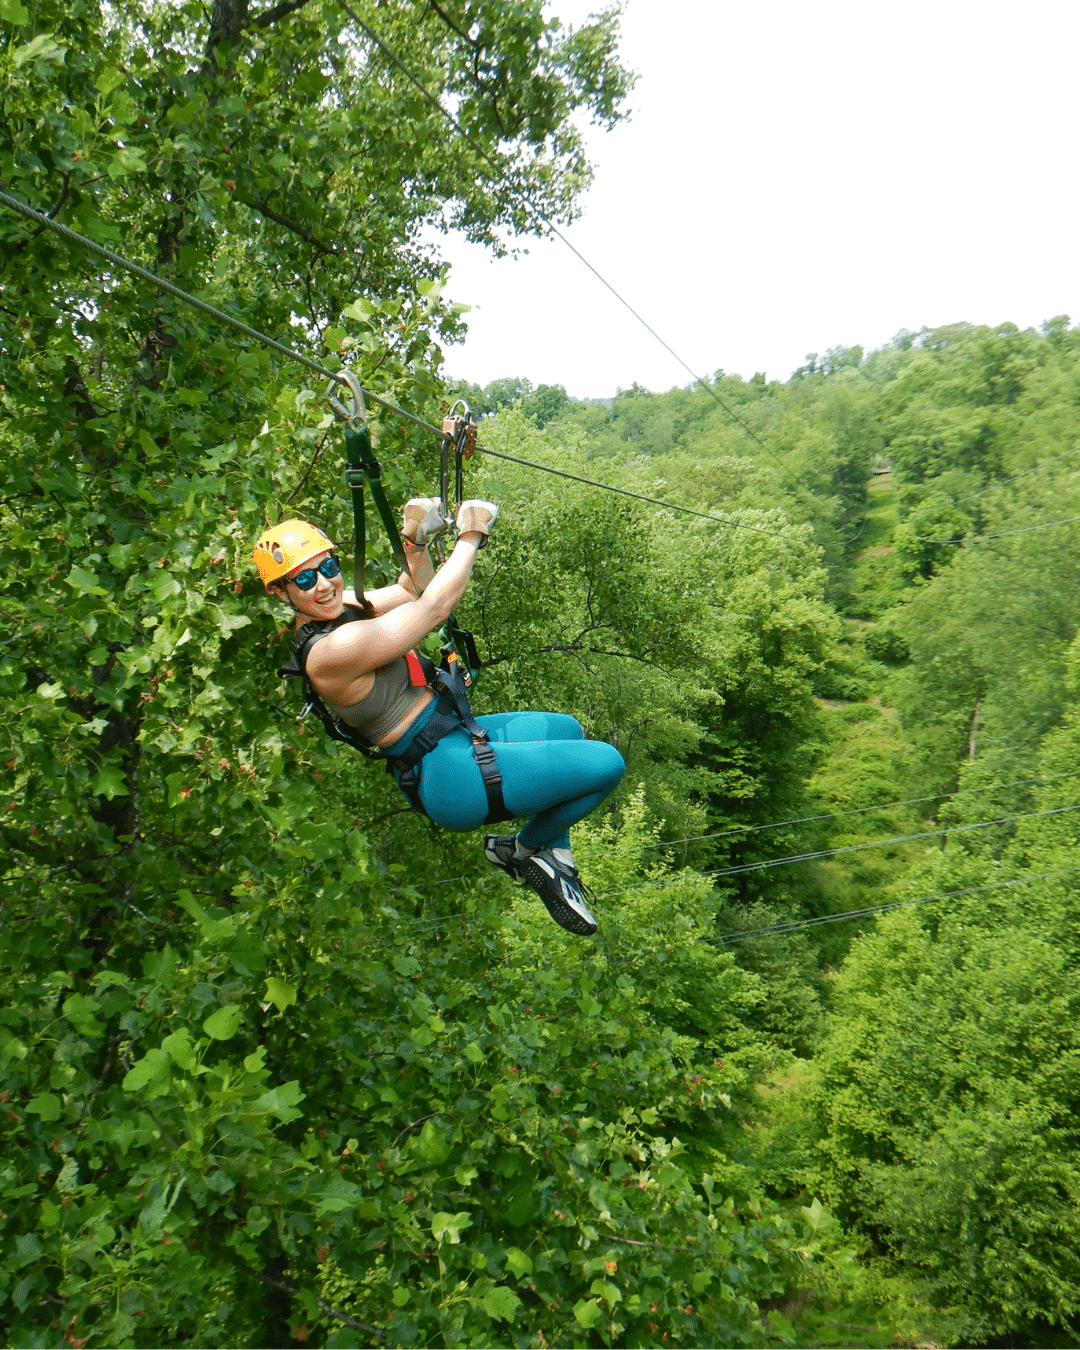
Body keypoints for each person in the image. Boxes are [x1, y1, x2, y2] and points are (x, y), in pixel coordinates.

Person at [253, 500, 625, 936]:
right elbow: (432, 609)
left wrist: (414, 544)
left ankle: (553, 857)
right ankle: (524, 852)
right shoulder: (328, 654)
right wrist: (471, 535)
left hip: (453, 735)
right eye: (304, 579)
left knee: (568, 731)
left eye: (329, 566)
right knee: (606, 764)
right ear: (281, 593)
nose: (324, 585)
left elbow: (410, 593)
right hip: (449, 774)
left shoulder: (342, 606)